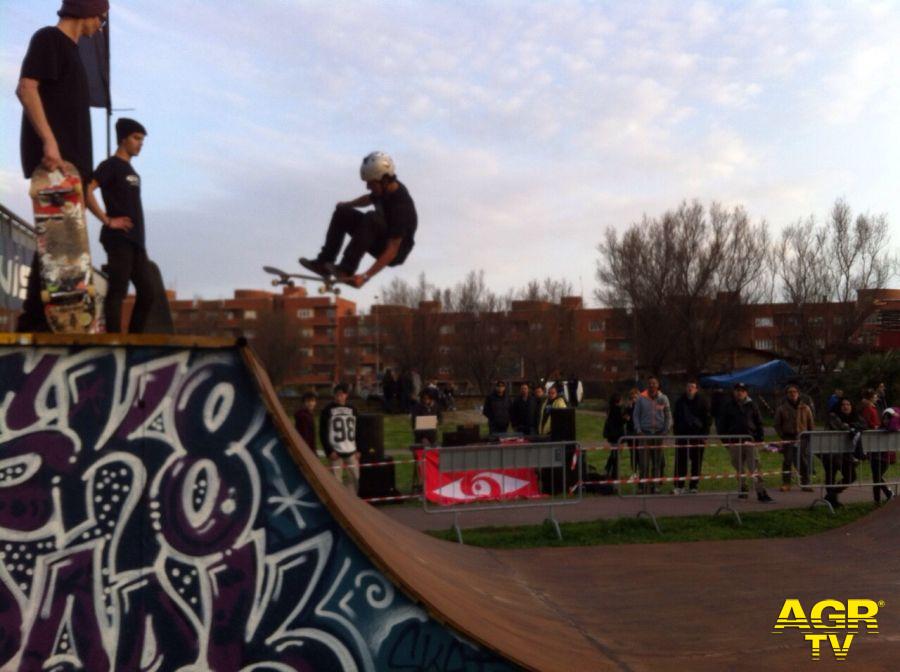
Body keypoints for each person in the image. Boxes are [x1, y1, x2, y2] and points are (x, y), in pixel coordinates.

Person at [16, 0, 109, 332]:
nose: (101, 25)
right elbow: (26, 88)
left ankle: (43, 324)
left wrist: (83, 176)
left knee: (60, 252)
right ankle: (32, 324)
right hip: (55, 162)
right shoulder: (49, 39)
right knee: (56, 246)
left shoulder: (74, 55)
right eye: (101, 17)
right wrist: (49, 141)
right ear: (85, 11)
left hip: (72, 170)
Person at [300, 151, 417, 288]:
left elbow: (392, 250)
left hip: (395, 252)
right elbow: (368, 199)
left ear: (384, 181)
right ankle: (323, 263)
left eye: (371, 184)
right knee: (342, 212)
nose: (368, 187)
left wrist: (365, 276)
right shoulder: (384, 189)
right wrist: (347, 205)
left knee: (372, 218)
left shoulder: (400, 207)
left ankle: (346, 269)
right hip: (381, 236)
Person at [84, 118, 156, 333]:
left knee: (148, 292)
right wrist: (107, 220)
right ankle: (114, 341)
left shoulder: (132, 171)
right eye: (136, 138)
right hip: (118, 239)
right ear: (123, 139)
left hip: (136, 241)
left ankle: (133, 341)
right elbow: (86, 190)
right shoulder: (111, 165)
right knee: (118, 290)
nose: (139, 143)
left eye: (142, 140)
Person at [718, 383, 773, 502]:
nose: (740, 392)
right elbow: (721, 424)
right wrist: (726, 441)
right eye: (737, 390)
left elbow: (759, 422)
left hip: (750, 440)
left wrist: (760, 439)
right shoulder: (728, 406)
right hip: (734, 441)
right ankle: (742, 488)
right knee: (739, 467)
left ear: (746, 392)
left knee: (755, 467)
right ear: (734, 392)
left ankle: (761, 492)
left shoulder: (752, 405)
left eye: (742, 390)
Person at [632, 377, 671, 494]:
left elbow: (668, 416)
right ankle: (642, 486)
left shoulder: (663, 398)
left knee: (657, 462)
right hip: (644, 434)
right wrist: (638, 430)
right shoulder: (641, 399)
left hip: (658, 434)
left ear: (658, 385)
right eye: (650, 383)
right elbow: (636, 415)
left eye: (654, 383)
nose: (652, 385)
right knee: (643, 463)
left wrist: (665, 430)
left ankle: (655, 486)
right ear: (647, 385)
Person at [773, 384, 815, 492]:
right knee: (787, 460)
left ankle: (805, 483)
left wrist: (809, 435)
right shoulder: (782, 408)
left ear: (798, 393)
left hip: (802, 437)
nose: (792, 394)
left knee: (803, 461)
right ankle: (786, 483)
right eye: (790, 392)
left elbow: (811, 423)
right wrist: (782, 435)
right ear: (787, 395)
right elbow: (777, 424)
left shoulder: (805, 407)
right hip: (788, 437)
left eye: (794, 392)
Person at [319, 383, 359, 492]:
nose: (339, 397)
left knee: (355, 478)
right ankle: (340, 506)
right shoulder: (327, 410)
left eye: (342, 394)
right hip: (335, 451)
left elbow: (358, 430)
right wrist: (329, 450)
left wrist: (358, 449)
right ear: (334, 395)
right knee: (336, 482)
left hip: (351, 449)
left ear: (346, 395)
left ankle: (352, 502)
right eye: (337, 395)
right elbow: (323, 432)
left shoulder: (353, 409)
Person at [673, 381, 710, 494]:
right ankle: (679, 485)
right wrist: (677, 434)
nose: (690, 389)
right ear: (685, 388)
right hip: (682, 436)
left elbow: (707, 420)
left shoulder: (703, 402)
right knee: (681, 461)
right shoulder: (680, 402)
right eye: (688, 386)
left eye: (693, 387)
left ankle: (694, 485)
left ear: (696, 389)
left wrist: (704, 435)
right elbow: (676, 418)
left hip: (697, 436)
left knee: (696, 462)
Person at [823, 398, 862, 508]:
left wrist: (855, 426)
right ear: (839, 407)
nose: (846, 406)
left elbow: (863, 424)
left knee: (851, 476)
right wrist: (853, 427)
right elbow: (841, 427)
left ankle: (830, 495)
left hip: (846, 453)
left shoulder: (854, 416)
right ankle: (832, 501)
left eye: (848, 404)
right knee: (831, 475)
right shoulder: (833, 416)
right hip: (830, 451)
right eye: (843, 404)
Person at [860, 389, 892, 504]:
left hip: (879, 441)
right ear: (870, 397)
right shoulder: (868, 408)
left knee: (877, 474)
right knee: (876, 473)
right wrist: (874, 427)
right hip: (873, 440)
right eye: (875, 396)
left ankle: (884, 495)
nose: (876, 397)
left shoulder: (873, 407)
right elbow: (866, 423)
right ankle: (881, 497)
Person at [602, 392, 628, 487]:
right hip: (618, 436)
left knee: (614, 454)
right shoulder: (618, 410)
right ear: (619, 401)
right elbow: (621, 421)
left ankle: (608, 469)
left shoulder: (610, 409)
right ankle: (612, 473)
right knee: (616, 456)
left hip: (611, 435)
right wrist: (626, 418)